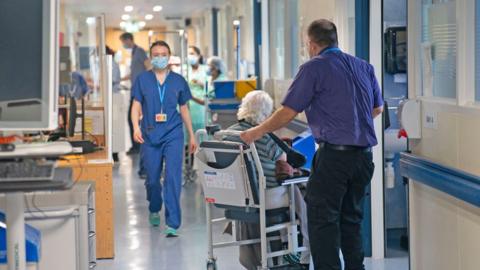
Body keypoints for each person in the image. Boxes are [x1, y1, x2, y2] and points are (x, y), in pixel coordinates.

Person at [240, 20, 384, 270]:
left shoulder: (313, 68)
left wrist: (255, 132)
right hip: (363, 158)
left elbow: (287, 112)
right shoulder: (363, 66)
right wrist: (349, 125)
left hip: (335, 158)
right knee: (352, 219)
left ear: (312, 44)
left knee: (322, 222)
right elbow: (377, 108)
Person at [224, 91, 310, 269]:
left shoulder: (228, 134)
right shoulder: (262, 136)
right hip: (266, 195)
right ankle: (300, 253)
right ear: (266, 114)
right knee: (302, 190)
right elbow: (283, 162)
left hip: (239, 196)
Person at [130, 40, 197, 237]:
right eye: (156, 54)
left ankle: (173, 223)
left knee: (173, 177)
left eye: (163, 54)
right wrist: (135, 127)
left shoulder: (178, 81)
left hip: (173, 133)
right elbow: (136, 105)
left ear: (169, 57)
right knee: (152, 179)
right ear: (151, 57)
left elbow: (184, 108)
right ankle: (154, 207)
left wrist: (191, 135)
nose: (160, 57)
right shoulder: (142, 79)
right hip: (150, 133)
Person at [120, 32, 150, 161]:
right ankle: (137, 145)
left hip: (141, 92)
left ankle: (138, 146)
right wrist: (119, 80)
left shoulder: (140, 51)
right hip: (135, 91)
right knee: (133, 119)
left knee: (134, 119)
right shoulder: (133, 54)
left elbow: (148, 67)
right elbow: (133, 73)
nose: (123, 45)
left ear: (129, 40)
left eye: (123, 42)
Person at [187, 46, 209, 132]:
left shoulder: (206, 70)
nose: (190, 56)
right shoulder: (185, 70)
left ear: (199, 56)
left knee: (201, 131)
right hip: (188, 106)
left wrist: (201, 84)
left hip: (201, 106)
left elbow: (210, 88)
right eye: (188, 54)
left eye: (192, 53)